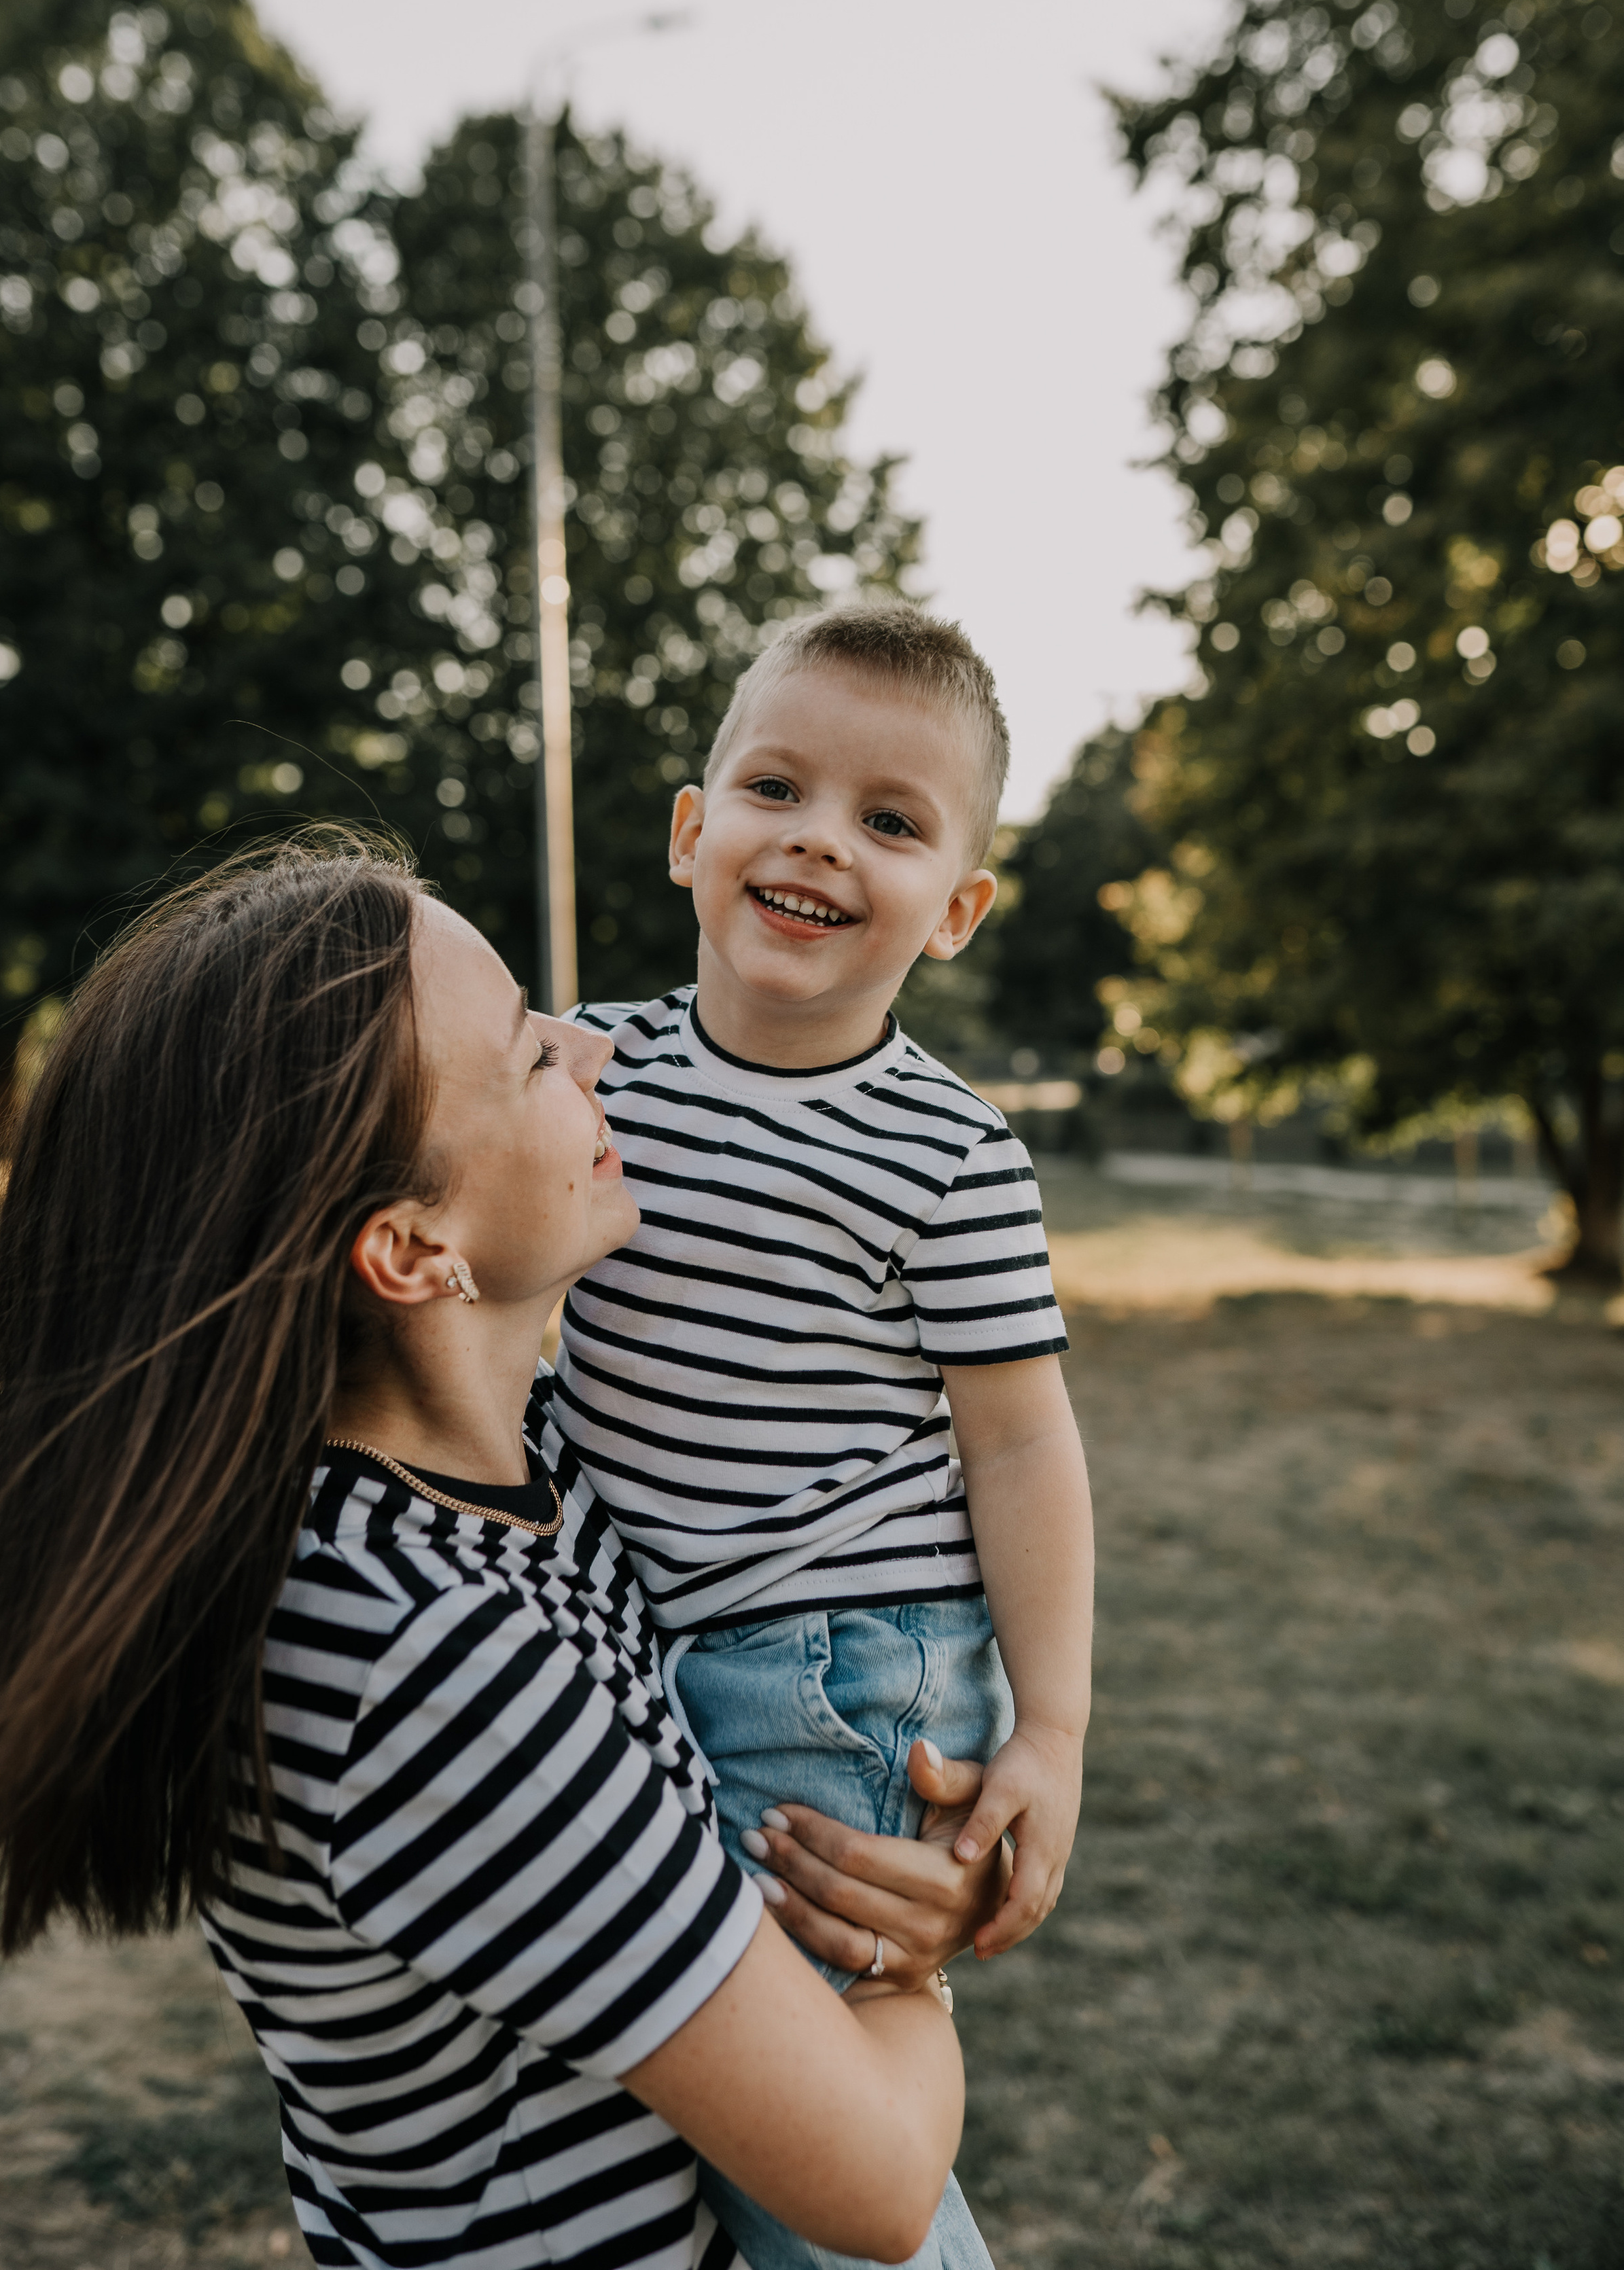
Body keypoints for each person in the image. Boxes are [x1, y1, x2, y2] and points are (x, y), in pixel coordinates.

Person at [0, 837, 1004, 2270]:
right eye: (531, 1060)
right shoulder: (413, 1654)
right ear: (412, 1252)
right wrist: (904, 1976)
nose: (595, 1051)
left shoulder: (533, 1462)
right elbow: (875, 2183)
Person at [553, 607, 1096, 2263]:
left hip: (834, 1667)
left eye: (889, 820)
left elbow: (1019, 1449)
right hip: (639, 1640)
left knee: (809, 2147)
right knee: (691, 2094)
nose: (815, 840)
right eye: (775, 786)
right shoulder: (584, 1072)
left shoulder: (946, 1155)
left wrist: (1054, 1734)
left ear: (956, 911)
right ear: (688, 832)